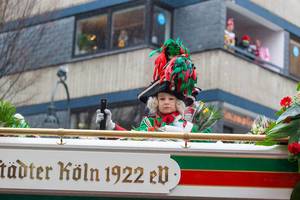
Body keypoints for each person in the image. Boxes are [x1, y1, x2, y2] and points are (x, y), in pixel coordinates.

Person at [96, 38, 202, 132]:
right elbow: (130, 140)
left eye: (171, 99)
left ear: (178, 103)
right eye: (162, 99)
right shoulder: (148, 124)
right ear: (156, 102)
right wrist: (110, 125)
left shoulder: (188, 127)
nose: (166, 102)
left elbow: (208, 144)